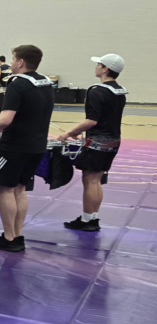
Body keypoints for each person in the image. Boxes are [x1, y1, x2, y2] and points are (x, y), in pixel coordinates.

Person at [0, 45, 53, 252]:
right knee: (20, 189)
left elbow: (6, 118)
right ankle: (17, 235)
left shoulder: (17, 83)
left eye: (14, 59)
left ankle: (8, 237)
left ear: (21, 62)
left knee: (5, 189)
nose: (11, 63)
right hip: (37, 145)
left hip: (14, 147)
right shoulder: (46, 83)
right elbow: (28, 114)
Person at [59, 54, 127, 232]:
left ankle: (87, 219)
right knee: (96, 180)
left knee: (89, 180)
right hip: (114, 140)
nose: (96, 66)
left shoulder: (97, 90)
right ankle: (92, 217)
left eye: (99, 64)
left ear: (105, 69)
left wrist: (69, 132)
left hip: (97, 142)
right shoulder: (120, 91)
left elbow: (92, 120)